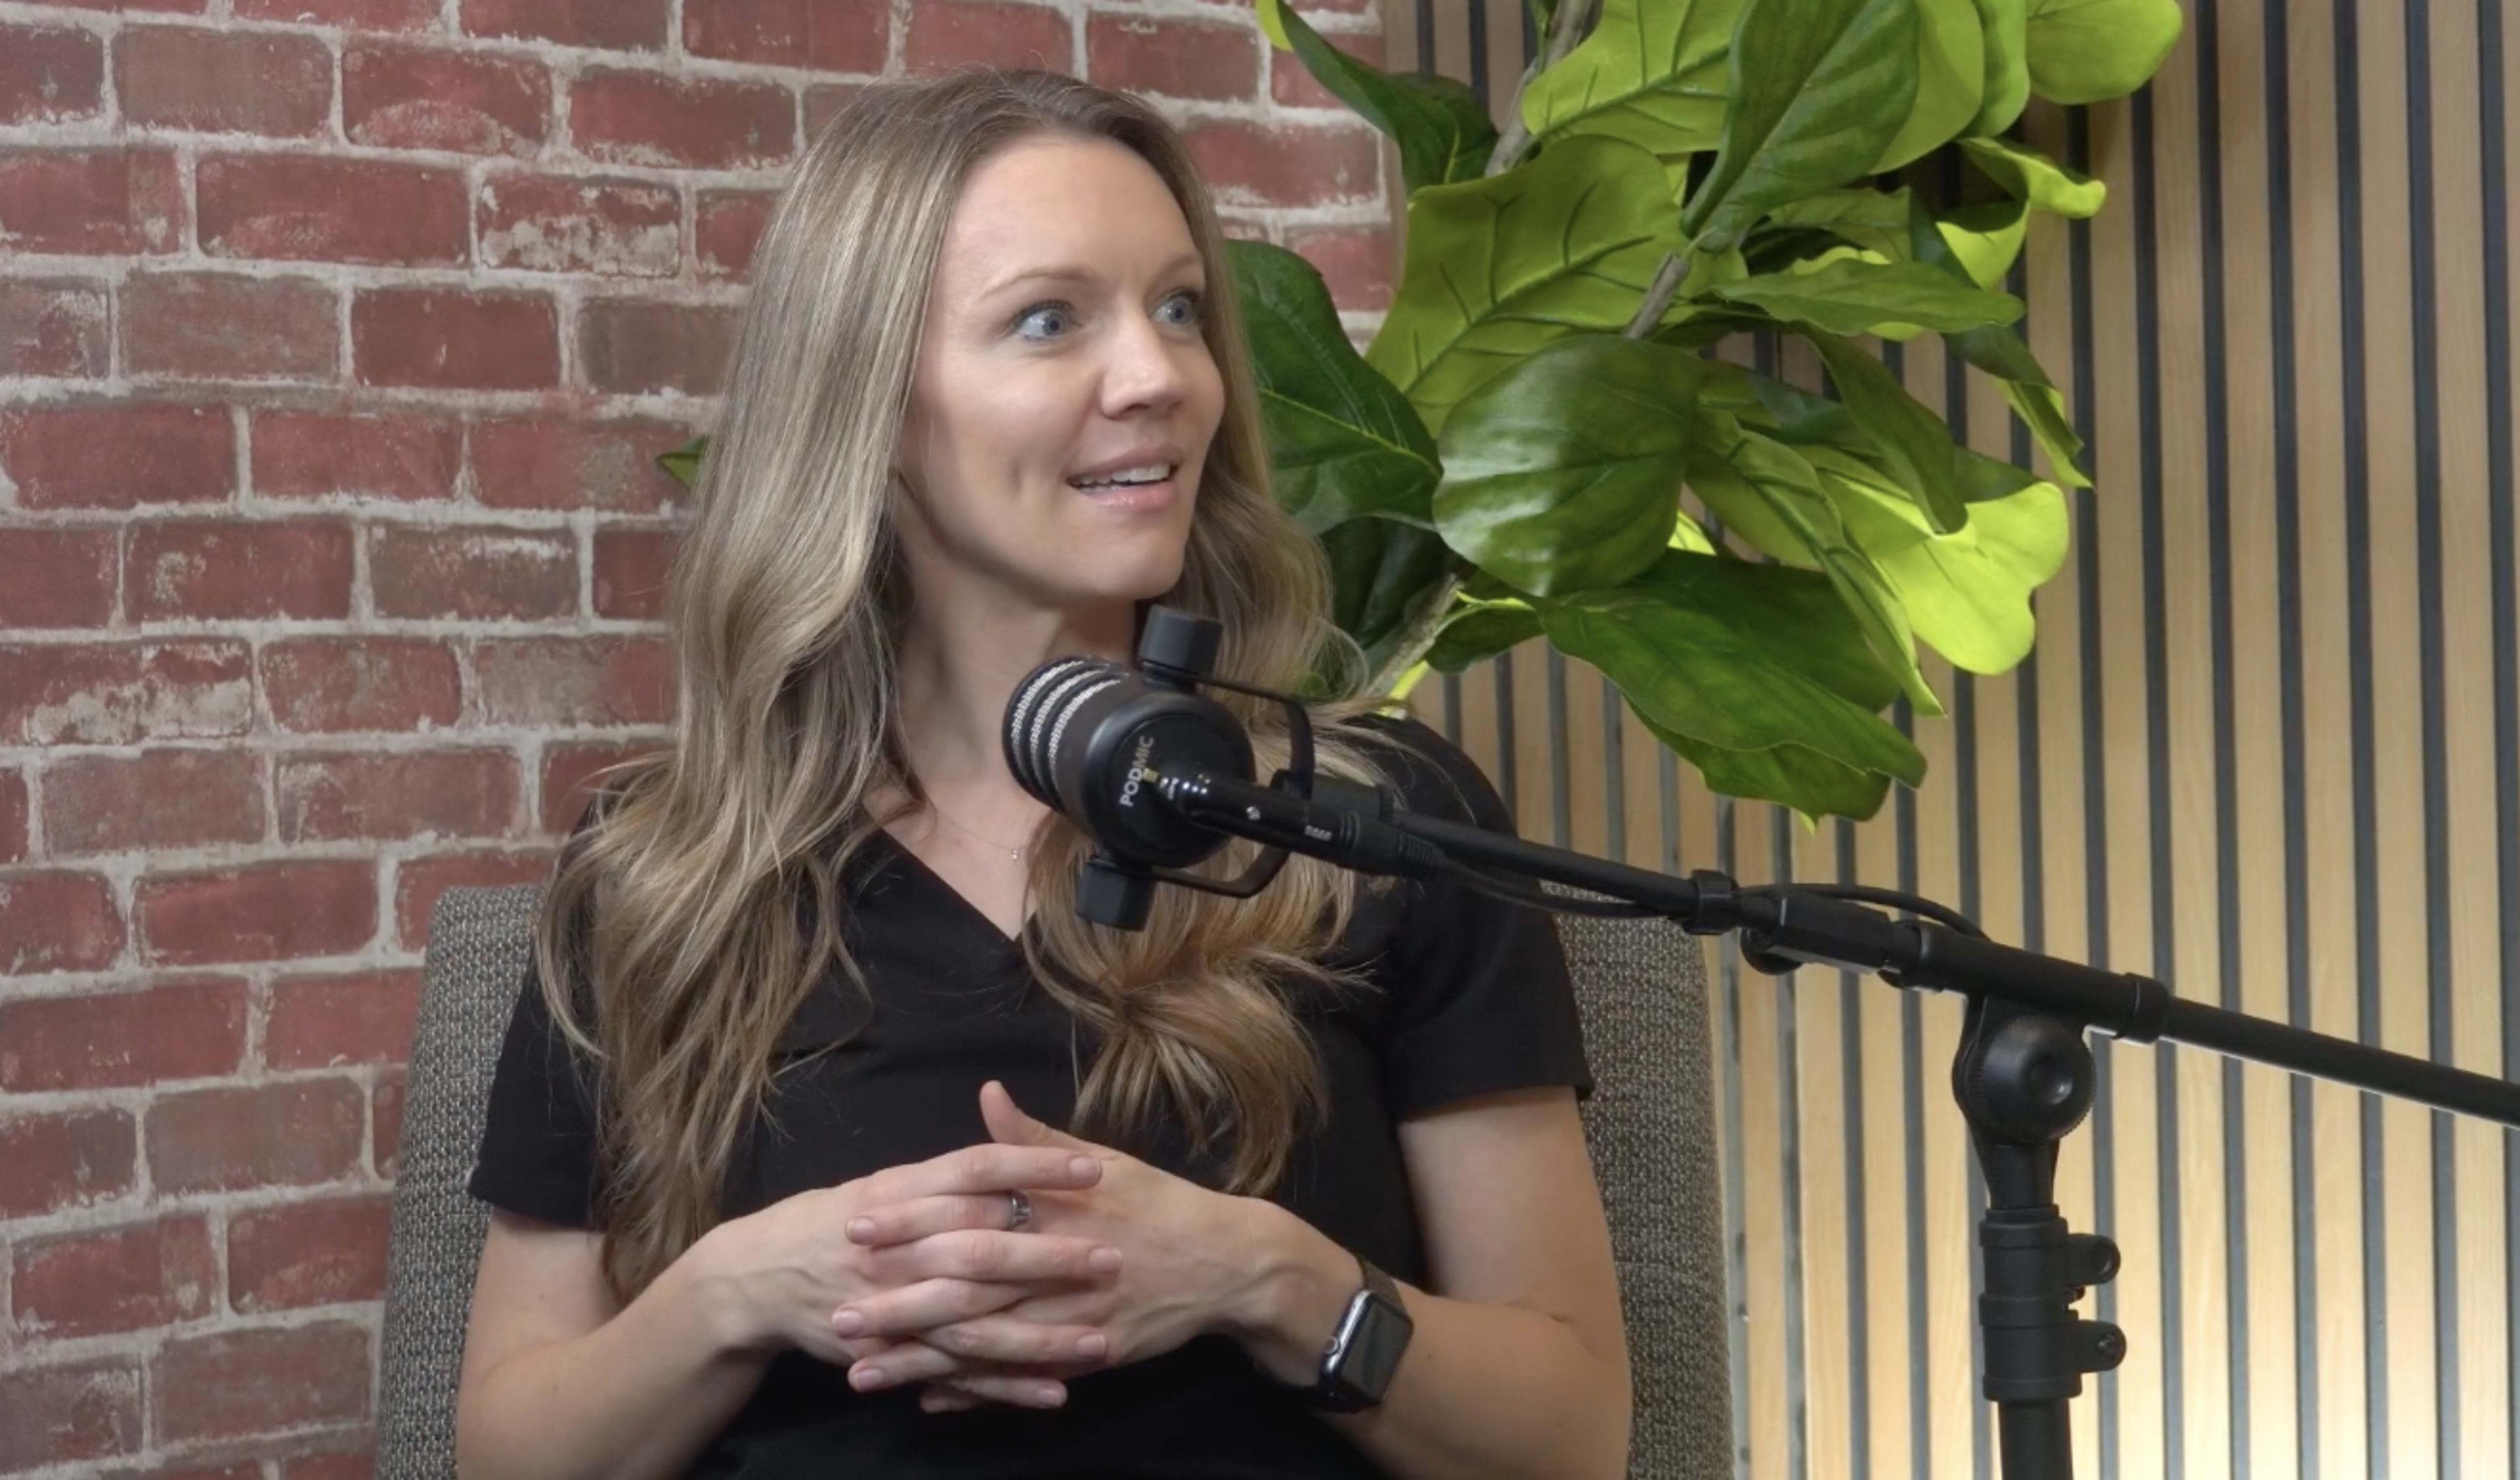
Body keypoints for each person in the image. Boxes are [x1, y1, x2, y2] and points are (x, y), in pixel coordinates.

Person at [454, 66, 1632, 1480]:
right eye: (1048, 320)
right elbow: (508, 1454)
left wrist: (1269, 1283)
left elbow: (1571, 1439)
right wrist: (743, 1291)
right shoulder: (667, 874)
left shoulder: (1368, 826)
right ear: (872, 411)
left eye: (1180, 307)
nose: (1158, 379)